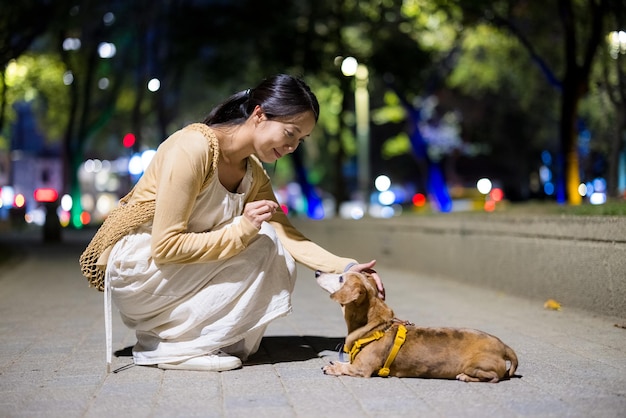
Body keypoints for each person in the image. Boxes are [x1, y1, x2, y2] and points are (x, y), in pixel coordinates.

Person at [95, 74, 385, 372]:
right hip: (140, 269)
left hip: (173, 273)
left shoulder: (252, 172)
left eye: (300, 140)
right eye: (290, 133)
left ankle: (185, 340)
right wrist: (242, 229)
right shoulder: (193, 148)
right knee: (263, 243)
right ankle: (172, 349)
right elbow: (166, 247)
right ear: (259, 114)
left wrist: (347, 268)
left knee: (275, 249)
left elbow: (290, 237)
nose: (292, 147)